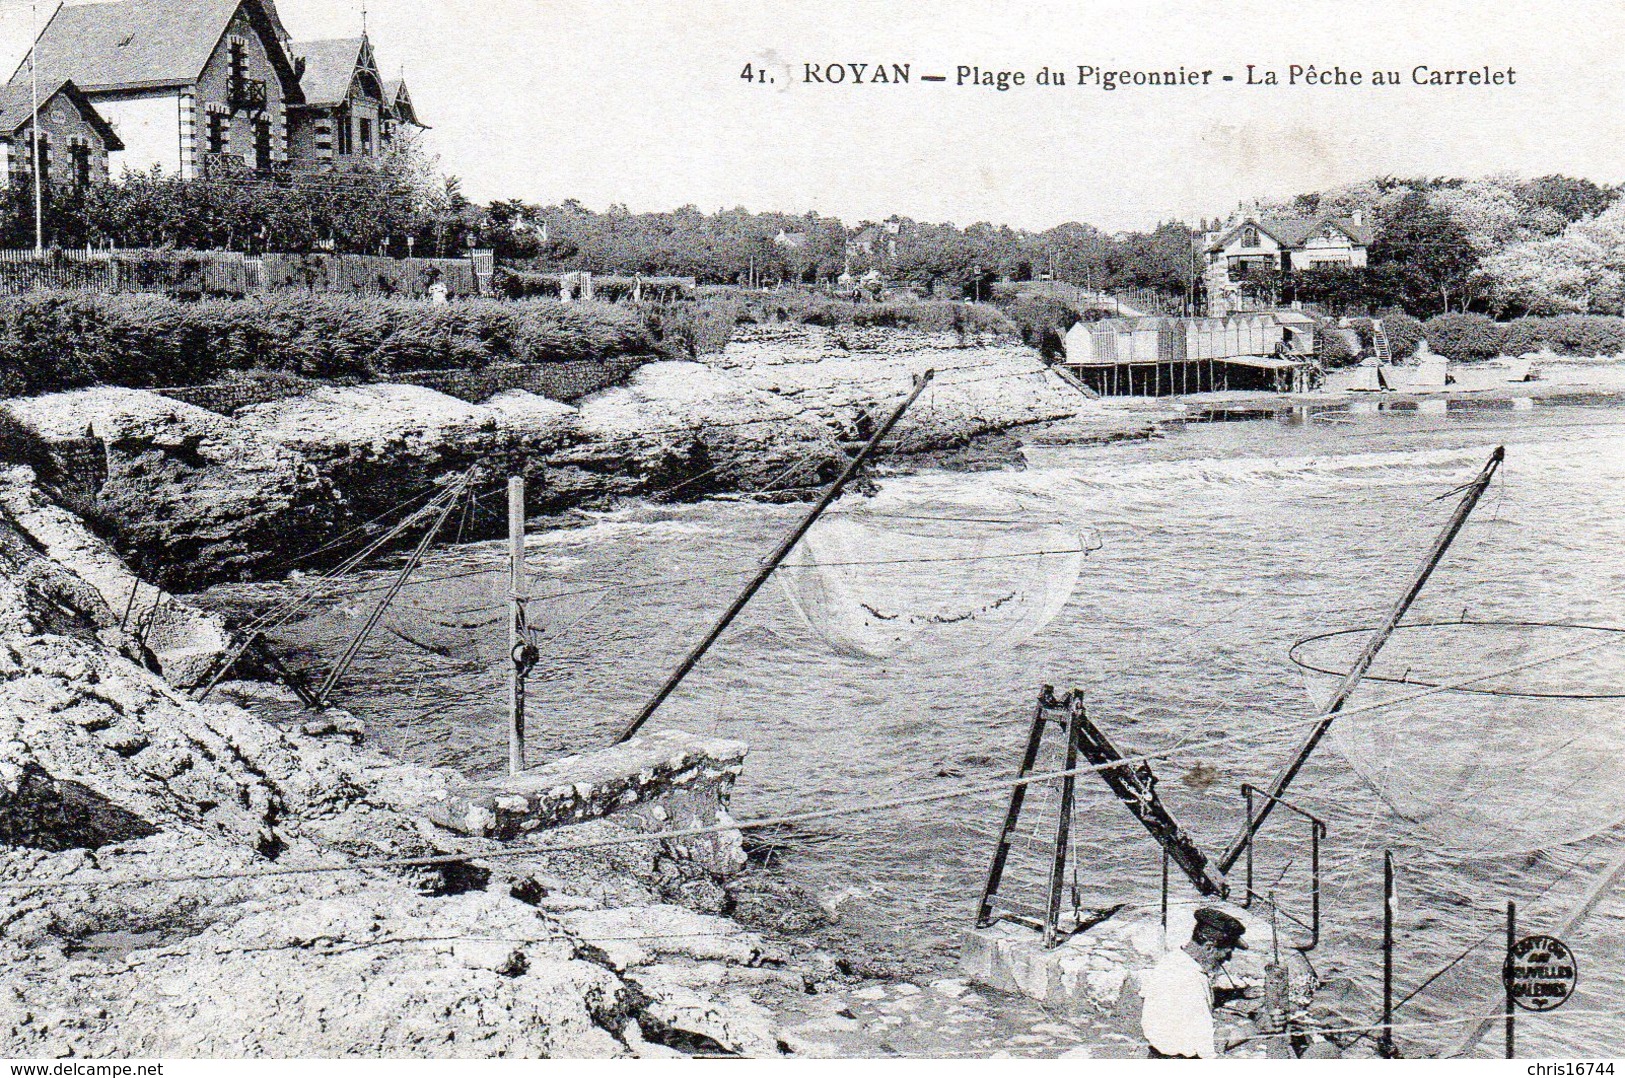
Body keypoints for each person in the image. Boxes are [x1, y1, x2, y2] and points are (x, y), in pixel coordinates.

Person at [1139, 906, 1248, 1059]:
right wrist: (1256, 1028)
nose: (1228, 959)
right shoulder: (1189, 980)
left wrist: (1237, 994)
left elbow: (1180, 1001)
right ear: (1209, 948)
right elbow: (1208, 1045)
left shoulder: (1175, 960)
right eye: (1227, 952)